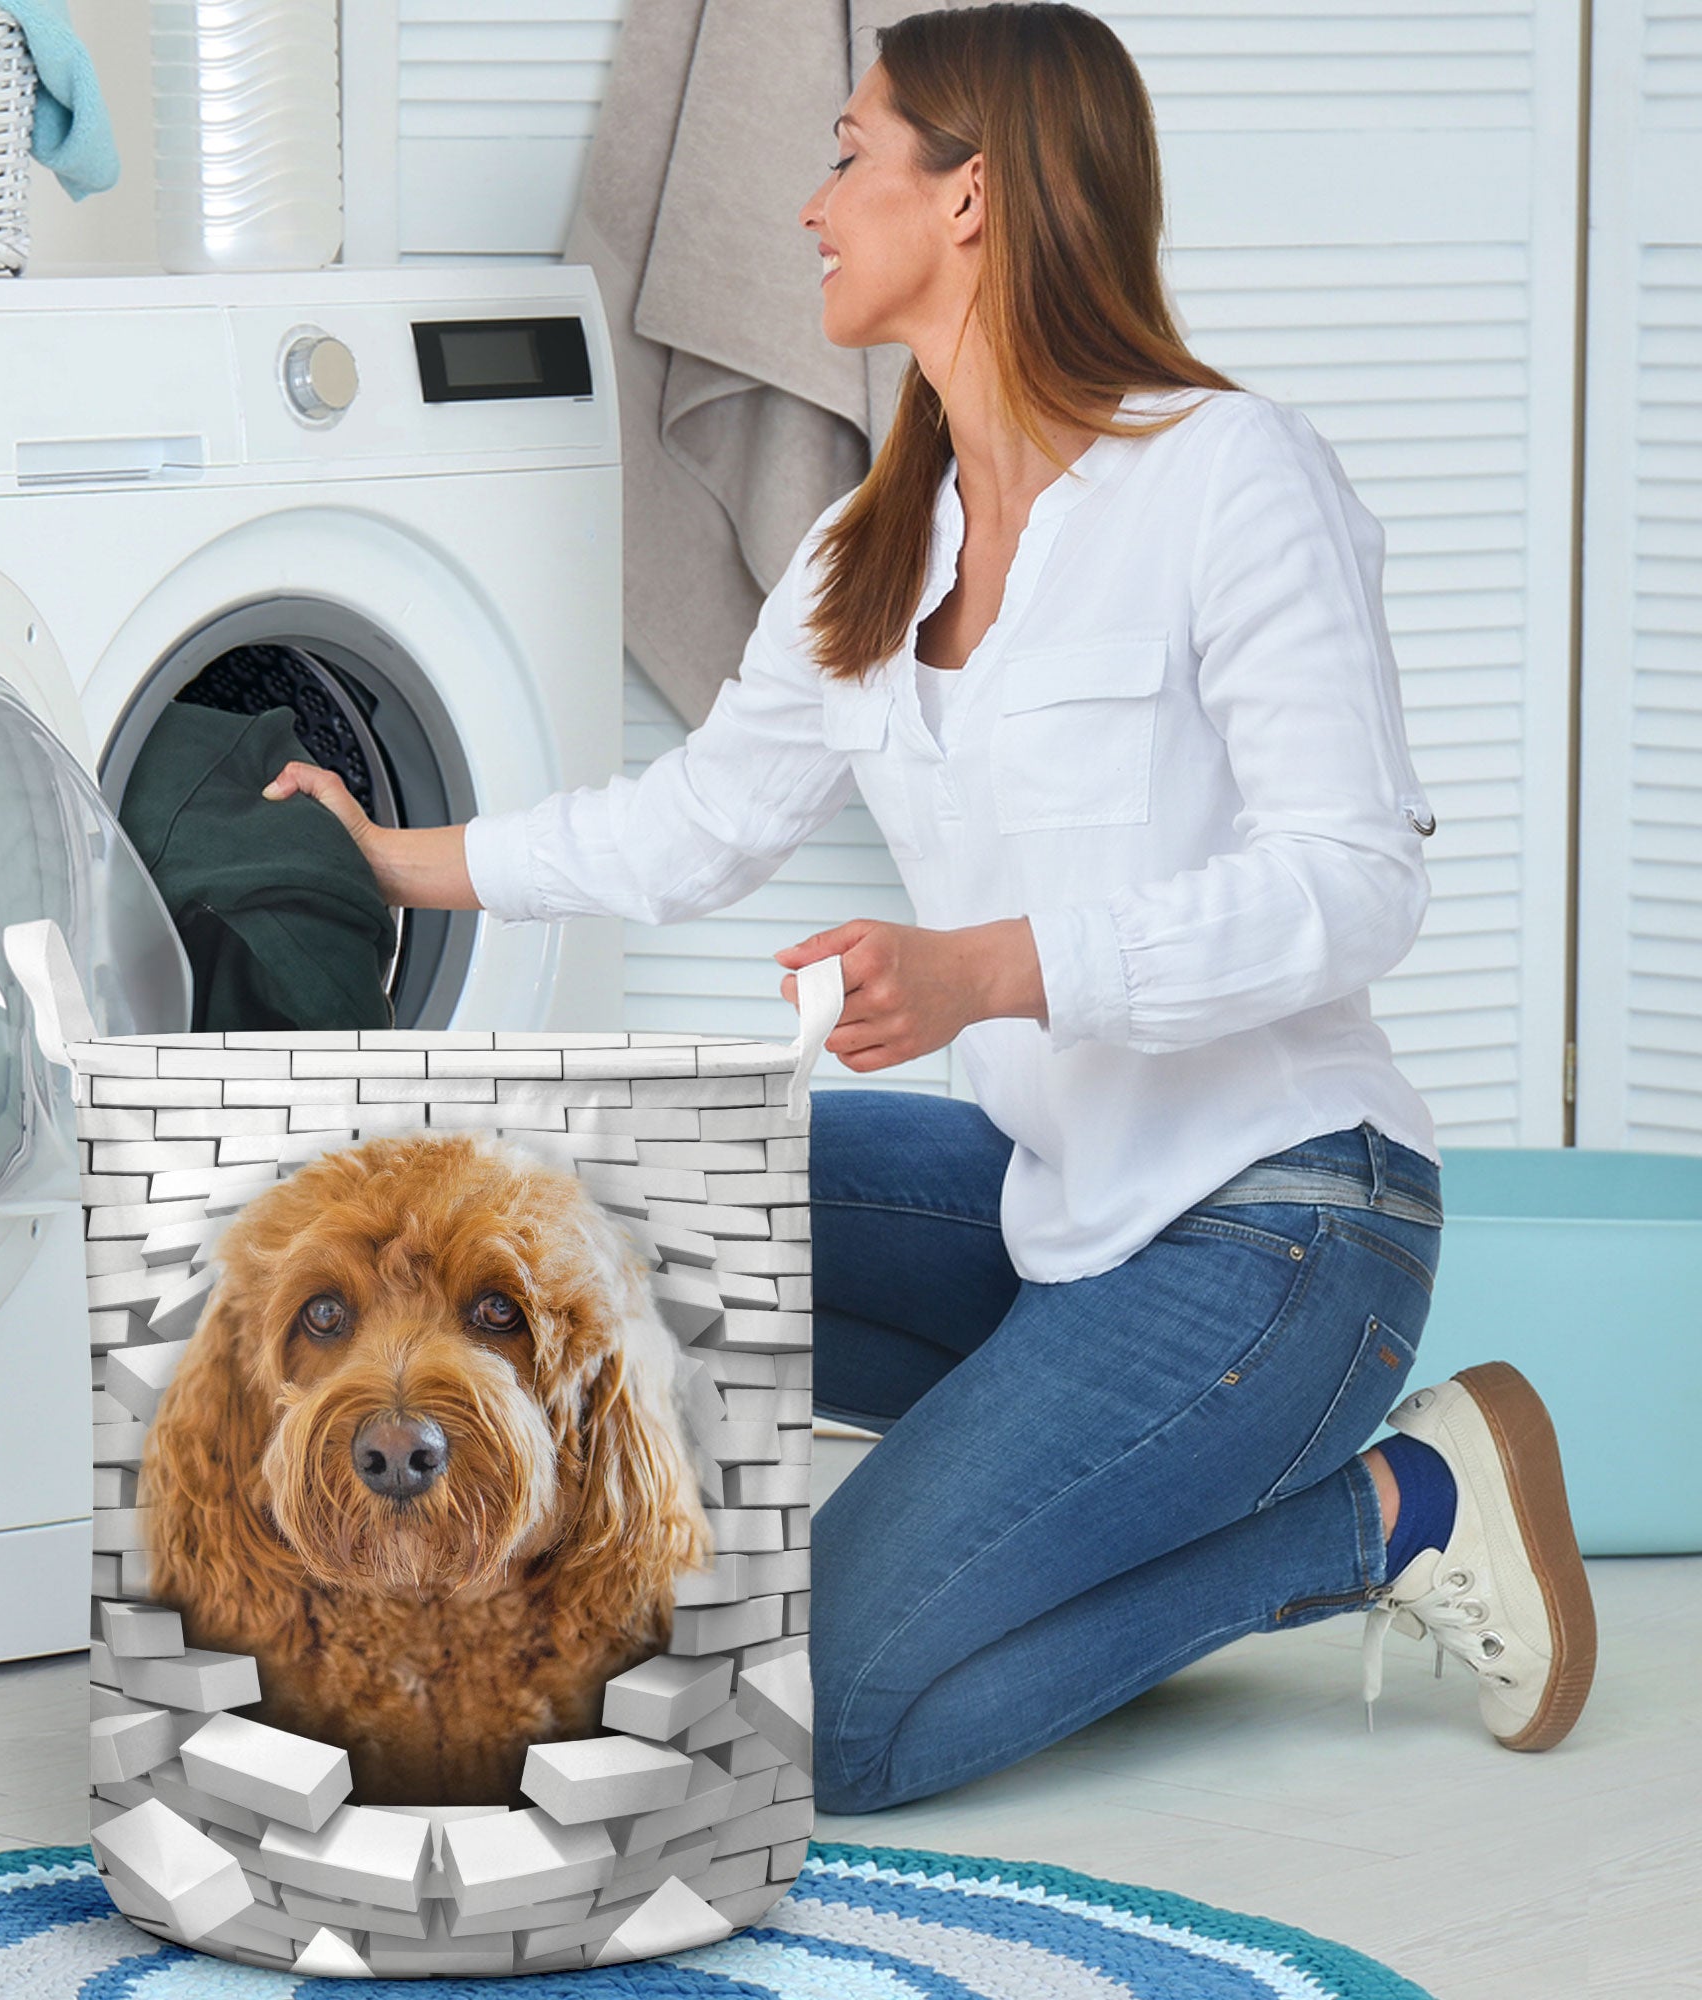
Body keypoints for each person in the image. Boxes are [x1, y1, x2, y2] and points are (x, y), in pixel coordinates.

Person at [263, 0, 1597, 1816]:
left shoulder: (1227, 474)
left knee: (825, 1719)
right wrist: (400, 855)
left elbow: (1356, 885)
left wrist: (993, 972)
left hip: (1286, 1225)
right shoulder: (871, 549)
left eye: (848, 157)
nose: (811, 207)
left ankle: (1394, 1512)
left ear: (970, 197)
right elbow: (696, 824)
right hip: (1059, 1208)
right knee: (602, 1213)